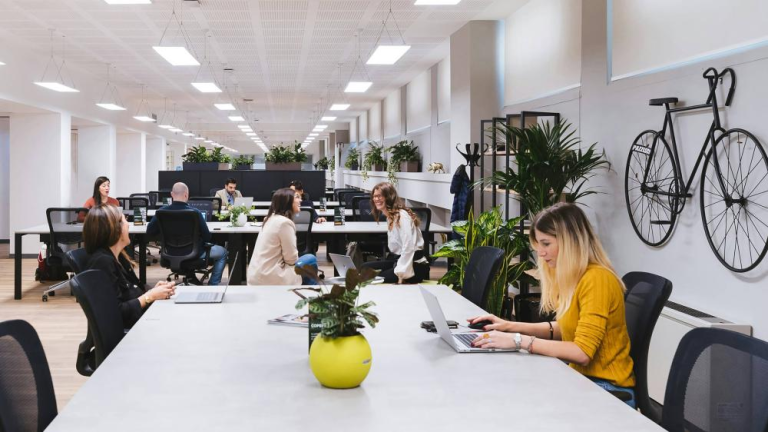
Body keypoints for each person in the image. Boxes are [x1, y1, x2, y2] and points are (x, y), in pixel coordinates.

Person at [467, 203, 636, 407]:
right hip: (582, 379)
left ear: (570, 242)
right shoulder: (575, 276)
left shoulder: (597, 279)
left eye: (546, 243)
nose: (540, 252)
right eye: (538, 244)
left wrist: (519, 341)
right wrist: (507, 325)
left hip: (607, 389)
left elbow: (582, 352)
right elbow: (566, 326)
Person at [83, 205, 176, 329]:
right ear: (113, 229)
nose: (128, 225)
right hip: (130, 333)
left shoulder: (119, 257)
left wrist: (154, 291)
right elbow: (115, 313)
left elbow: (130, 293)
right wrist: (150, 296)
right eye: (124, 221)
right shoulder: (102, 263)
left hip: (140, 321)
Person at [146, 182, 229, 285]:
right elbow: (207, 237)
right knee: (223, 253)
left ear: (172, 194)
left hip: (169, 253)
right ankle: (212, 285)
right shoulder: (195, 213)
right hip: (194, 254)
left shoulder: (161, 212)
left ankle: (190, 277)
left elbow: (149, 232)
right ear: (186, 195)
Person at [361, 182, 429, 284]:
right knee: (364, 269)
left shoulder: (402, 216)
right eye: (374, 196)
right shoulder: (391, 216)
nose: (376, 199)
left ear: (389, 197)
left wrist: (401, 274)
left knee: (370, 278)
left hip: (414, 266)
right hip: (399, 260)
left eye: (380, 196)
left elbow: (409, 246)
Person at [247, 188, 318, 285]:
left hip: (256, 275)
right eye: (297, 197)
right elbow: (291, 259)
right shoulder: (284, 223)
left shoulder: (269, 219)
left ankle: (307, 293)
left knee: (305, 266)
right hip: (271, 276)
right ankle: (313, 295)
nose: (301, 200)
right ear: (287, 202)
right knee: (310, 258)